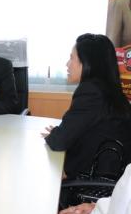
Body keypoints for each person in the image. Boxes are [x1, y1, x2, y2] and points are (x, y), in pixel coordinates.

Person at [42, 33, 131, 179]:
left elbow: (59, 141)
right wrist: (60, 133)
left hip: (92, 183)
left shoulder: (91, 92)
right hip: (108, 176)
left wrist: (56, 134)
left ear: (87, 62)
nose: (67, 64)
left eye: (72, 58)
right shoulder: (109, 90)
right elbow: (83, 131)